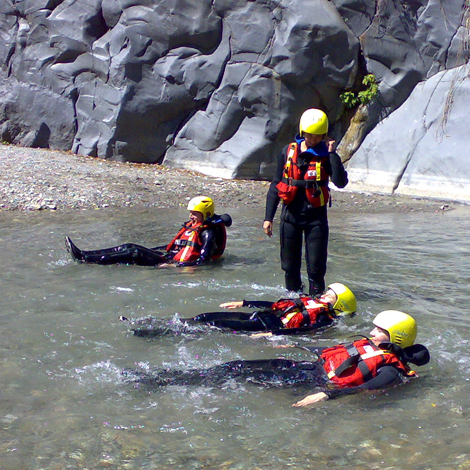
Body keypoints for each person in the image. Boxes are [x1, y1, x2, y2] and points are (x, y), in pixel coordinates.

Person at [127, 310, 429, 407]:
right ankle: (162, 377)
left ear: (396, 338)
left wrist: (324, 395)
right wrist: (288, 344)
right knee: (233, 367)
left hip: (312, 383)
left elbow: (368, 387)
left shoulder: (394, 369)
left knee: (235, 375)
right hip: (306, 368)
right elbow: (328, 353)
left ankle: (156, 382)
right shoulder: (367, 346)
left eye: (379, 330)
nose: (372, 331)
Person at [263, 108, 348, 296]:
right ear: (302, 132)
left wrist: (332, 154)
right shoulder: (287, 151)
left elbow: (341, 182)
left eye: (318, 136)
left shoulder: (327, 156)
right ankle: (293, 300)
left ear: (324, 135)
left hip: (315, 220)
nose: (314, 140)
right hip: (290, 217)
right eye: (310, 135)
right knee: (289, 267)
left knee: (316, 270)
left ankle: (316, 303)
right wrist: (268, 218)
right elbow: (277, 183)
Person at [126, 283, 357, 338]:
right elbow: (276, 306)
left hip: (267, 326)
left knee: (213, 326)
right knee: (203, 317)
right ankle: (148, 321)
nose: (324, 294)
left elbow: (303, 332)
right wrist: (245, 303)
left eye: (330, 295)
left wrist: (273, 335)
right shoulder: (308, 302)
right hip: (259, 316)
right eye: (326, 291)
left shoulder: (327, 319)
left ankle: (152, 333)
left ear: (338, 305)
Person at [65, 197, 231, 267]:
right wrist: (154, 250)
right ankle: (85, 255)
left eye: (194, 214)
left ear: (206, 214)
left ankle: (84, 259)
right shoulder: (195, 226)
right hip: (169, 257)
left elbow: (204, 259)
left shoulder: (207, 233)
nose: (190, 216)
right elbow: (179, 246)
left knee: (135, 252)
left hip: (173, 265)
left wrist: (174, 267)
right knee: (129, 246)